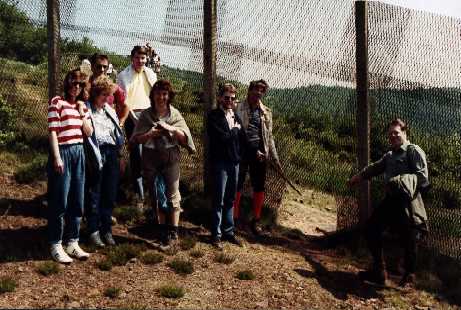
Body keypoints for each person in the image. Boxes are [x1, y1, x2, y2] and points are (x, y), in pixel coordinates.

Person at [348, 118, 429, 287]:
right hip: (391, 200)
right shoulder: (390, 155)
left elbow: (423, 177)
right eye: (390, 134)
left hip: (409, 202)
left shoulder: (413, 151)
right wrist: (359, 177)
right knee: (371, 228)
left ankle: (409, 277)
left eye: (396, 133)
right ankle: (379, 271)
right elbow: (376, 167)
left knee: (410, 238)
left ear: (404, 133)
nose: (393, 136)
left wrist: (402, 181)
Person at [131, 80, 196, 248]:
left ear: (169, 96)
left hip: (170, 157)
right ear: (152, 95)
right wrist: (150, 134)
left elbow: (185, 138)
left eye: (165, 94)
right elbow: (136, 138)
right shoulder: (146, 115)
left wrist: (171, 129)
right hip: (151, 157)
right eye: (158, 93)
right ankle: (161, 230)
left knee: (173, 193)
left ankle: (173, 232)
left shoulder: (174, 114)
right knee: (156, 193)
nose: (161, 97)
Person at [47, 69, 93, 264]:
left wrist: (83, 113)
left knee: (77, 199)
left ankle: (72, 241)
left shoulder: (82, 106)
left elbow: (89, 133)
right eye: (74, 83)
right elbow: (53, 132)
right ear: (67, 83)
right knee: (60, 199)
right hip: (63, 152)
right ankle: (55, 243)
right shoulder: (57, 102)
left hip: (79, 153)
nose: (76, 87)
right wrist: (57, 157)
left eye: (81, 84)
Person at [117, 46, 163, 211]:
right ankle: (139, 196)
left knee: (152, 155)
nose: (140, 61)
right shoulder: (123, 76)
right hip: (132, 117)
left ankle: (155, 196)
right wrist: (136, 121)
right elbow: (123, 101)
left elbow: (156, 95)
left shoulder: (150, 73)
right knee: (137, 155)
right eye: (137, 58)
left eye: (143, 58)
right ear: (132, 58)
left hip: (149, 116)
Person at [233, 79, 281, 235]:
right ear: (249, 90)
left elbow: (269, 136)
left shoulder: (266, 112)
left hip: (260, 153)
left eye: (261, 90)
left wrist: (274, 158)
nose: (258, 93)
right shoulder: (238, 106)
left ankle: (256, 220)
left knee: (259, 186)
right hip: (241, 150)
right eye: (256, 89)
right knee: (237, 183)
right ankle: (233, 218)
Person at [84, 76, 124, 247]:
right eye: (102, 94)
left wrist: (120, 154)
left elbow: (117, 133)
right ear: (94, 94)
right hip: (97, 152)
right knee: (95, 192)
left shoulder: (109, 109)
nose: (105, 98)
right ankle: (93, 230)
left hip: (112, 151)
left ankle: (106, 229)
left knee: (109, 192)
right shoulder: (87, 109)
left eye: (107, 95)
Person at [207, 83, 245, 249]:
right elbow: (222, 138)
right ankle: (216, 234)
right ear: (220, 98)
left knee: (230, 198)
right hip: (220, 162)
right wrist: (234, 131)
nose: (229, 101)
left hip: (234, 162)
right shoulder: (214, 116)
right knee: (219, 199)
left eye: (232, 98)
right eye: (226, 97)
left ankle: (229, 232)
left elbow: (241, 137)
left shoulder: (235, 116)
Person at [90, 53, 129, 126]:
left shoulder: (113, 87)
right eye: (98, 66)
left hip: (107, 127)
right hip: (89, 126)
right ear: (92, 67)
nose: (102, 69)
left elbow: (125, 107)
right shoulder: (84, 85)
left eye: (105, 67)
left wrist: (121, 122)